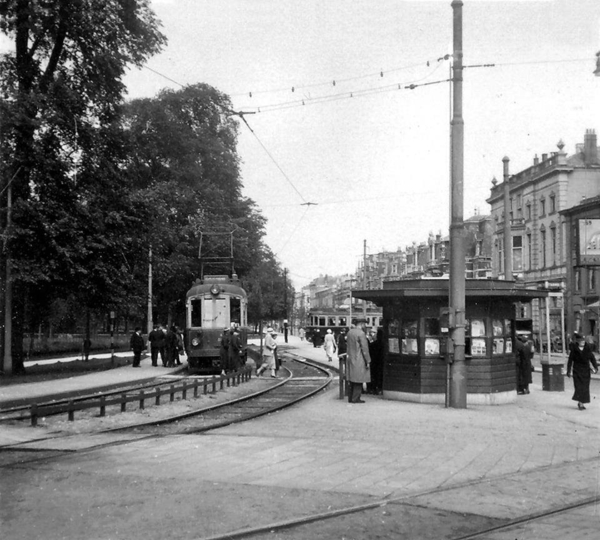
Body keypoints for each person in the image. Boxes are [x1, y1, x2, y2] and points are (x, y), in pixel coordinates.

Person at [567, 333, 598, 410]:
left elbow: (592, 358)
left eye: (583, 341)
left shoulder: (587, 349)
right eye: (581, 341)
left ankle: (581, 403)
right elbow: (570, 361)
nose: (583, 342)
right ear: (578, 341)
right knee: (579, 387)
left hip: (585, 371)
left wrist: (595, 368)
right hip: (577, 371)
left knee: (585, 388)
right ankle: (580, 403)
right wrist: (568, 371)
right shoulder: (574, 350)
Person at [346, 318, 372, 403]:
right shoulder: (361, 334)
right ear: (361, 324)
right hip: (359, 359)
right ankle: (356, 398)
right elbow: (365, 349)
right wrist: (368, 360)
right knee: (359, 379)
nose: (365, 325)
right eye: (364, 324)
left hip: (351, 358)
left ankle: (350, 397)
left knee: (352, 379)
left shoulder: (350, 332)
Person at [368, 327, 384, 395]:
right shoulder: (385, 345)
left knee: (374, 375)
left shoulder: (373, 344)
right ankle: (380, 388)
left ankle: (373, 389)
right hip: (382, 362)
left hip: (374, 362)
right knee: (380, 376)